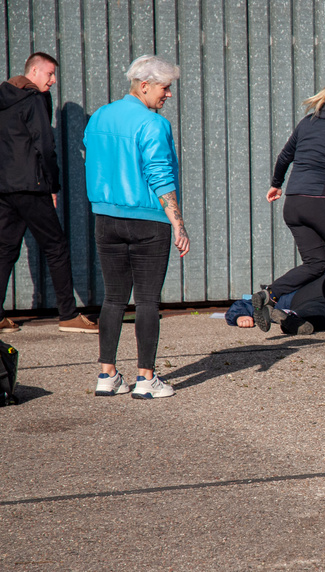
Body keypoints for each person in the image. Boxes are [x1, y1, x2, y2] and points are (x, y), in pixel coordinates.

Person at [83, 55, 188, 399]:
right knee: (146, 300)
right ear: (144, 86)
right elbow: (160, 174)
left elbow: (92, 155)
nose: (168, 95)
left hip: (106, 219)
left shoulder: (99, 117)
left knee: (113, 298)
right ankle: (145, 379)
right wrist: (178, 223)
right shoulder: (153, 123)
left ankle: (106, 374)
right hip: (148, 221)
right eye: (165, 87)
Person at [0, 52, 98, 334]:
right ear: (33, 71)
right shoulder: (33, 99)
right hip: (32, 186)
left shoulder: (4, 100)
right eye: (49, 74)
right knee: (56, 247)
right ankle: (68, 315)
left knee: (5, 249)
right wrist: (52, 185)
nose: (53, 80)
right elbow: (45, 145)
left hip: (5, 188)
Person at [256, 77, 325, 339]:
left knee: (314, 263)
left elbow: (284, 157)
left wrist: (276, 185)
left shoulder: (307, 123)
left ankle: (268, 294)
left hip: (294, 203)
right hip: (324, 201)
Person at [226, 271, 325, 335]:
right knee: (321, 311)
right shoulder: (284, 296)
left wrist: (238, 316)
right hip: (321, 293)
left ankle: (294, 317)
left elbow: (247, 305)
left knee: (321, 313)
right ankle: (294, 318)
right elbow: (244, 304)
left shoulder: (281, 296)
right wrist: (239, 317)